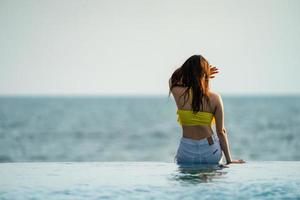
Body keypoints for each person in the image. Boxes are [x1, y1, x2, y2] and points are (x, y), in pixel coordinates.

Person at [169, 54, 245, 165]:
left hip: (186, 152)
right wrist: (229, 160)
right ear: (204, 75)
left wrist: (192, 70)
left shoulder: (178, 93)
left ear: (186, 72)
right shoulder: (215, 98)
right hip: (210, 151)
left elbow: (172, 79)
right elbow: (221, 132)